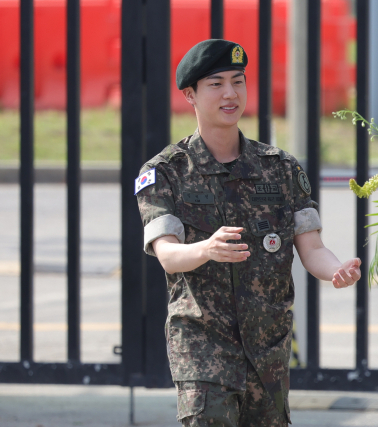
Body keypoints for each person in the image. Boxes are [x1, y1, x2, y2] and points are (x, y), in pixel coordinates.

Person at [135, 39, 361, 427]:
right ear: (190, 94)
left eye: (237, 82)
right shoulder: (166, 172)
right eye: (216, 84)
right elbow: (169, 255)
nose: (230, 94)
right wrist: (206, 248)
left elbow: (312, 248)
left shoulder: (281, 169)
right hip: (203, 348)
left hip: (268, 353)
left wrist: (336, 269)